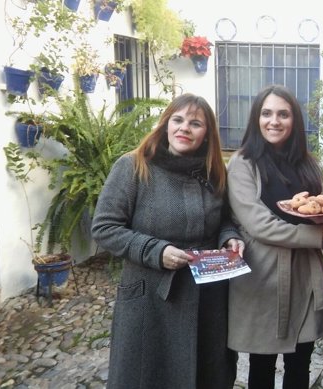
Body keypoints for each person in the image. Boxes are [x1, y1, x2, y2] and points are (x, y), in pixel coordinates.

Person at [91, 93, 244, 389]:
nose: (185, 128)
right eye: (178, 120)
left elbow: (224, 218)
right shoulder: (133, 166)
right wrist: (155, 251)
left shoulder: (213, 173)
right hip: (151, 295)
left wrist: (229, 237)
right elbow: (105, 227)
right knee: (148, 376)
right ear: (165, 124)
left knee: (207, 374)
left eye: (195, 123)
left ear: (207, 134)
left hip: (206, 297)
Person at [226, 85, 323, 389]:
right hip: (262, 275)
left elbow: (317, 213)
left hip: (304, 274)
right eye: (266, 113)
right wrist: (317, 236)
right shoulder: (242, 164)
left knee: (300, 361)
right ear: (256, 118)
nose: (274, 121)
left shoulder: (308, 163)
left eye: (283, 114)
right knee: (262, 364)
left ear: (295, 121)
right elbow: (258, 224)